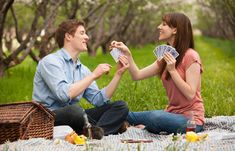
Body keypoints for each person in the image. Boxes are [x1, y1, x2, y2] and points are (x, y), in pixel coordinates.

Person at [110, 12, 205, 134]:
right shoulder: (165, 57)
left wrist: (173, 71)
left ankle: (145, 126)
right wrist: (128, 54)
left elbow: (190, 94)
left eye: (164, 24)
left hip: (191, 120)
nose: (159, 27)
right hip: (170, 113)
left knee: (155, 117)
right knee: (124, 113)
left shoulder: (191, 56)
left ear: (175, 30)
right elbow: (137, 75)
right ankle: (94, 124)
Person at [32, 19, 129, 137]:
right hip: (49, 117)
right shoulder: (50, 62)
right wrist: (93, 76)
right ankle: (101, 128)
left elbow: (98, 100)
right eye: (82, 33)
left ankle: (94, 131)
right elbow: (64, 94)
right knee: (76, 111)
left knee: (120, 106)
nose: (87, 37)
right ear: (68, 36)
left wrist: (118, 74)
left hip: (75, 116)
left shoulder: (83, 70)